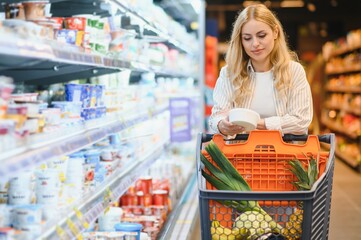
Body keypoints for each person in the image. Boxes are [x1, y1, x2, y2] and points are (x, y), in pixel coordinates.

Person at [209, 4, 313, 137]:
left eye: (261, 35)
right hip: (240, 154)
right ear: (240, 40)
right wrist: (221, 125)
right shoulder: (229, 74)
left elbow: (301, 120)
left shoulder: (294, 71)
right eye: (247, 38)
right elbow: (215, 117)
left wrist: (257, 123)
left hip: (285, 155)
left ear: (275, 32)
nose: (255, 44)